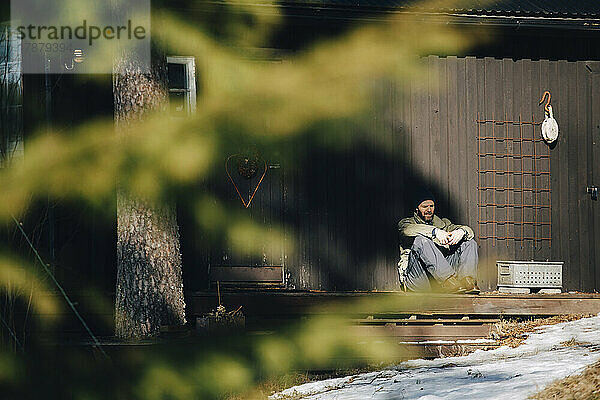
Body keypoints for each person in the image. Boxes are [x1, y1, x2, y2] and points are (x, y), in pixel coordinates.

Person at [397, 190, 480, 294]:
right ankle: (447, 281)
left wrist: (462, 231)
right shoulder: (406, 223)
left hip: (439, 280)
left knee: (469, 242)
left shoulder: (443, 224)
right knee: (421, 240)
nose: (429, 210)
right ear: (417, 208)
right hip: (418, 278)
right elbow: (407, 230)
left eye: (431, 206)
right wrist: (434, 232)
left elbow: (468, 231)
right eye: (424, 206)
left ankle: (468, 282)